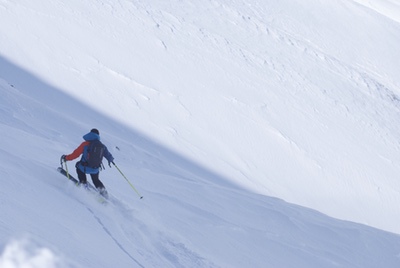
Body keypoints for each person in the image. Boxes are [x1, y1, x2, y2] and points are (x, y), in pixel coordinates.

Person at [61, 128, 114, 198]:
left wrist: (66, 158)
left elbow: (75, 154)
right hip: (95, 169)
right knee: (96, 180)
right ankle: (104, 193)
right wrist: (112, 161)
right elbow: (109, 156)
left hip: (84, 167)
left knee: (78, 166)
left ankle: (83, 183)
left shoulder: (85, 144)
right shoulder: (102, 146)